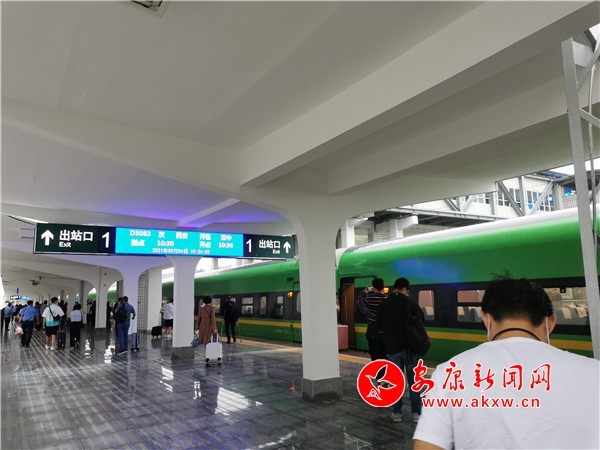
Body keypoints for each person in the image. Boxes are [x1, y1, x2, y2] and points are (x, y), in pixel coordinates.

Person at [413, 276, 600, 450]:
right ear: (550, 322)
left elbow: (427, 446)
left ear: (485, 318)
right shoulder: (594, 373)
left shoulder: (448, 375)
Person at [376, 277, 424, 423]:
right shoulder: (411, 304)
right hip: (411, 350)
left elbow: (379, 327)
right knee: (414, 382)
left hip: (393, 350)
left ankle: (397, 413)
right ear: (404, 289)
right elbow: (421, 322)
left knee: (395, 381)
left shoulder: (384, 305)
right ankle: (416, 413)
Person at [357, 278, 388, 360]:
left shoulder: (369, 299)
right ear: (383, 286)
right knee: (384, 355)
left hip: (373, 331)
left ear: (374, 288)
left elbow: (361, 306)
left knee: (375, 356)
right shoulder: (388, 299)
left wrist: (363, 294)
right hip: (385, 332)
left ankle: (377, 368)